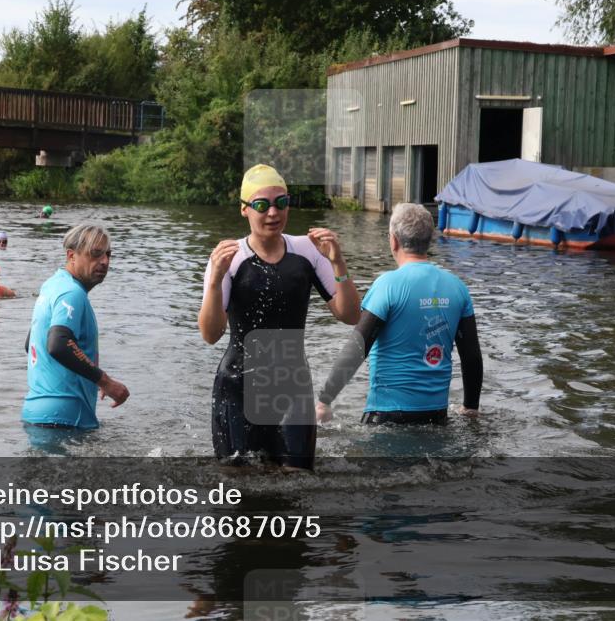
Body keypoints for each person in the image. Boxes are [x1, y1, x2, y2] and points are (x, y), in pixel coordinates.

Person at [197, 164, 360, 471]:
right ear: (245, 209)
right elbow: (210, 334)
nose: (273, 213)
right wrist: (216, 281)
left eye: (281, 202)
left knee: (297, 479)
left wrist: (338, 263)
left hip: (292, 383)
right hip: (238, 385)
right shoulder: (230, 258)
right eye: (261, 205)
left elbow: (350, 315)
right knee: (241, 484)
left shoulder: (308, 251)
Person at [316, 203, 484, 427]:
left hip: (387, 415)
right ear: (430, 239)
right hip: (437, 417)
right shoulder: (457, 287)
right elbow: (471, 357)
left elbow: (357, 348)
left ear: (393, 240)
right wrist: (470, 408)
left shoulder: (388, 285)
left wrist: (324, 400)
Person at [22, 223, 129, 429]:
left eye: (108, 255)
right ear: (72, 256)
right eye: (96, 254)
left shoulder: (52, 285)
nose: (105, 261)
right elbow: (59, 344)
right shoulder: (72, 293)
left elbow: (32, 342)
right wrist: (105, 381)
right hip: (65, 419)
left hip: (37, 414)